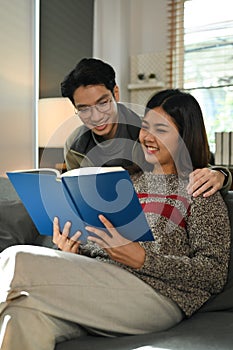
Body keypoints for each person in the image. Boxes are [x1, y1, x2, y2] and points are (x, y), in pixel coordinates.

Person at [0, 89, 231, 350]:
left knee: (16, 258)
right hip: (100, 287)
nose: (148, 137)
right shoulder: (121, 183)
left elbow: (213, 274)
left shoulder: (199, 190)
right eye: (145, 127)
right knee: (22, 314)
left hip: (157, 297)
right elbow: (99, 249)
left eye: (162, 130)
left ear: (184, 137)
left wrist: (142, 259)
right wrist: (69, 252)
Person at [61, 57, 232, 198]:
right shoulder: (75, 146)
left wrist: (221, 175)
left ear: (116, 93)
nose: (96, 117)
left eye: (103, 103)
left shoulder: (148, 133)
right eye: (84, 109)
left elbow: (195, 164)